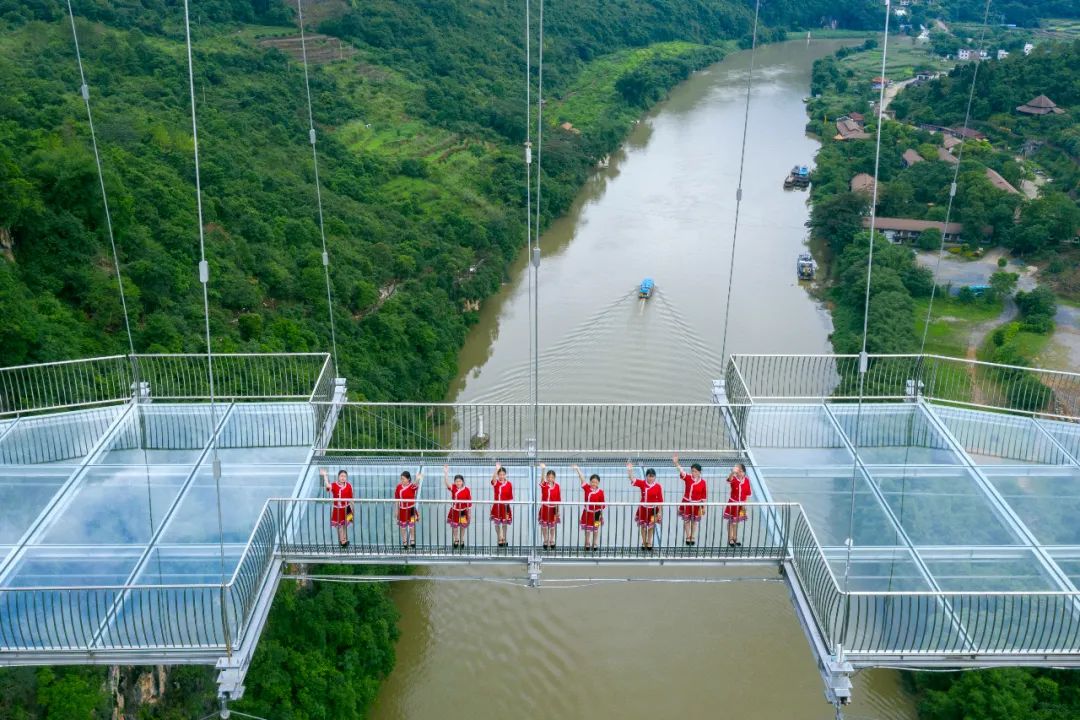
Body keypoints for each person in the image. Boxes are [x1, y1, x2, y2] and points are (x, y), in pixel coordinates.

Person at [627, 462, 663, 551]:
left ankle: (649, 542)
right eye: (649, 476)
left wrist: (660, 511)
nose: (650, 478)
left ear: (655, 477)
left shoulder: (658, 486)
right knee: (643, 526)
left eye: (652, 476)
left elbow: (660, 500)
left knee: (651, 527)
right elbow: (632, 479)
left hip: (653, 510)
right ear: (646, 476)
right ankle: (644, 541)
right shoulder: (642, 483)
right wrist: (630, 470)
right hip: (643, 509)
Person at [673, 454, 706, 546]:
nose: (693, 473)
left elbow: (703, 496)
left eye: (695, 471)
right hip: (687, 502)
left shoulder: (703, 482)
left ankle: (692, 535)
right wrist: (676, 463)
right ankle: (688, 536)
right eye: (692, 471)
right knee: (687, 520)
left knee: (694, 521)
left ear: (699, 472)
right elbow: (682, 471)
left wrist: (703, 507)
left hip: (697, 504)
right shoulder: (688, 478)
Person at [574, 465, 605, 551]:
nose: (593, 484)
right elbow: (582, 479)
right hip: (587, 513)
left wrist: (601, 515)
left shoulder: (601, 492)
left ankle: (595, 543)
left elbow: (602, 505)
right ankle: (587, 543)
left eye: (595, 482)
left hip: (597, 513)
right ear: (590, 482)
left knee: (596, 529)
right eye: (592, 482)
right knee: (587, 530)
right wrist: (578, 469)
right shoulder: (587, 488)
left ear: (598, 483)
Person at [320, 468, 353, 548]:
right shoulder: (334, 485)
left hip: (347, 508)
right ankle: (342, 541)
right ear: (338, 477)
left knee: (345, 525)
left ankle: (344, 539)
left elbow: (351, 498)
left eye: (345, 476)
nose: (343, 478)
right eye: (341, 476)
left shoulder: (349, 485)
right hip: (338, 509)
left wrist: (352, 509)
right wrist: (325, 476)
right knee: (340, 526)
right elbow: (328, 486)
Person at [724, 463, 752, 547]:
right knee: (731, 521)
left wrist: (744, 505)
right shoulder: (734, 479)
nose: (740, 473)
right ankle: (730, 538)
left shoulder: (746, 480)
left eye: (742, 471)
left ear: (744, 472)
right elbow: (729, 479)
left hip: (741, 505)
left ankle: (735, 538)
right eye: (738, 471)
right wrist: (733, 472)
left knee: (736, 522)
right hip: (733, 503)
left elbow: (747, 493)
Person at [444, 465, 471, 549]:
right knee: (454, 527)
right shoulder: (454, 487)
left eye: (459, 481)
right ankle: (456, 539)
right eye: (456, 481)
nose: (458, 483)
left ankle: (462, 539)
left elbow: (469, 502)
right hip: (454, 511)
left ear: (462, 481)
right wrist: (446, 473)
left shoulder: (467, 490)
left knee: (463, 526)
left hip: (463, 512)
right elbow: (447, 483)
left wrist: (469, 513)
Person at [394, 469, 422, 548]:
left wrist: (417, 478)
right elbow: (396, 499)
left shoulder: (411, 486)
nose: (402, 480)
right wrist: (396, 511)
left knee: (411, 525)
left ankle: (412, 539)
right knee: (403, 527)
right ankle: (404, 541)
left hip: (411, 510)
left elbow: (416, 484)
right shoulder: (399, 487)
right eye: (401, 478)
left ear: (408, 479)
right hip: (402, 510)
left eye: (403, 478)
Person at [537, 463, 561, 550]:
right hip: (545, 508)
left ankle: (551, 540)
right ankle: (545, 540)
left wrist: (558, 510)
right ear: (547, 477)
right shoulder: (544, 485)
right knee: (544, 525)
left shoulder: (557, 486)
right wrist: (543, 469)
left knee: (552, 526)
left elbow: (558, 498)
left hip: (553, 509)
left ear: (554, 478)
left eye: (552, 477)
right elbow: (542, 480)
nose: (550, 479)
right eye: (549, 477)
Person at [490, 462, 514, 547]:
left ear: (506, 475)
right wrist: (496, 469)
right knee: (497, 523)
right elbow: (493, 480)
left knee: (504, 523)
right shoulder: (496, 483)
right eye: (500, 474)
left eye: (503, 474)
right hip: (497, 506)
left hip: (505, 506)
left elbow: (510, 496)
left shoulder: (509, 484)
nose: (502, 476)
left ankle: (504, 537)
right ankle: (499, 537)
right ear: (498, 475)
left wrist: (507, 505)